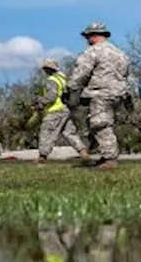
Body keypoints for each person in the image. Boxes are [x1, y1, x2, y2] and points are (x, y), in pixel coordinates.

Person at [67, 21, 130, 168]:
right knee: (105, 122)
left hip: (100, 92)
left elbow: (81, 73)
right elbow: (126, 73)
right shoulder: (120, 53)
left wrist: (71, 89)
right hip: (119, 93)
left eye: (88, 37)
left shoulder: (93, 52)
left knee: (100, 123)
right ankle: (104, 155)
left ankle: (109, 158)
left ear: (93, 36)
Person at [35, 58, 91, 163]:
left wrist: (41, 102)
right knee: (70, 133)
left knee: (46, 133)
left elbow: (52, 95)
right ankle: (83, 152)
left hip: (55, 110)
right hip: (66, 110)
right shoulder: (62, 79)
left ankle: (42, 156)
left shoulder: (51, 80)